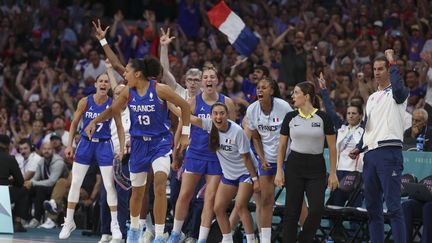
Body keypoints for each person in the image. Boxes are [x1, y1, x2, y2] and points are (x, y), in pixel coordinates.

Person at [88, 19, 191, 243]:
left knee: (160, 183)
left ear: (137, 74)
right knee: (139, 191)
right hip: (139, 144)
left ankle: (161, 234)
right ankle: (136, 230)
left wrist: (184, 134)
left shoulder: (159, 88)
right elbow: (115, 67)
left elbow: (184, 107)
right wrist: (103, 40)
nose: (123, 74)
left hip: (160, 143)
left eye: (127, 72)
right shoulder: (128, 90)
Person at [171, 102, 260, 243]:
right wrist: (169, 99)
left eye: (222, 113)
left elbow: (247, 158)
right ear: (211, 116)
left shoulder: (237, 131)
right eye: (215, 113)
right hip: (229, 175)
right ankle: (227, 239)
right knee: (218, 208)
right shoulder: (210, 125)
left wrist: (255, 179)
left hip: (246, 172)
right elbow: (188, 116)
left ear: (227, 115)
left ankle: (251, 240)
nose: (218, 117)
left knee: (240, 206)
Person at [167, 64, 235, 243]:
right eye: (206, 77)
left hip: (217, 158)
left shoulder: (227, 102)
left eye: (212, 77)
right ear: (202, 82)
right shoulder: (193, 101)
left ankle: (201, 239)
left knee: (210, 200)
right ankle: (176, 234)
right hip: (195, 154)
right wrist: (177, 153)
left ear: (217, 80)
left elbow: (232, 131)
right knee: (184, 195)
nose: (209, 80)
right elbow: (183, 127)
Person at [349, 49, 409, 243]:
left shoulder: (399, 92)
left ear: (388, 69)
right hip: (371, 154)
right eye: (374, 69)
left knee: (393, 207)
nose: (376, 72)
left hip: (389, 152)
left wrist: (393, 62)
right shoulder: (373, 98)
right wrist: (359, 146)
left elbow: (399, 90)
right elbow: (368, 126)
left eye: (381, 68)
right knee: (373, 208)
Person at [59, 73, 125, 240]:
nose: (103, 84)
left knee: (109, 185)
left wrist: (122, 148)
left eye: (105, 82)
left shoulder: (113, 104)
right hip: (86, 144)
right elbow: (74, 123)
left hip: (104, 144)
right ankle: (69, 222)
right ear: (96, 84)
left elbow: (119, 127)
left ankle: (114, 225)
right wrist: (69, 145)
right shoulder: (85, 101)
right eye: (100, 81)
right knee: (75, 182)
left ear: (108, 87)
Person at [275, 81, 339, 243]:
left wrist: (333, 173)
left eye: (296, 93)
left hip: (316, 167)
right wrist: (278, 171)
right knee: (292, 212)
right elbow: (282, 146)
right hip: (294, 166)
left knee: (317, 209)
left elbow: (332, 148)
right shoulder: (290, 117)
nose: (293, 96)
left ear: (306, 96)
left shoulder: (323, 117)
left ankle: (304, 239)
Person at [244, 77, 293, 242]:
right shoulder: (252, 110)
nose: (259, 90)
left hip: (288, 158)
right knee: (266, 200)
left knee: (297, 200)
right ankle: (265, 239)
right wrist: (261, 158)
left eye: (264, 87)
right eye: (258, 87)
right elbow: (255, 137)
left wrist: (282, 164)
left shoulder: (284, 107)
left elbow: (292, 132)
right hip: (266, 160)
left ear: (272, 91)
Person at [318, 73, 365, 207]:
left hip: (355, 173)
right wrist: (324, 90)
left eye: (354, 113)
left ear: (360, 116)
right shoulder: (341, 128)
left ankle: (355, 228)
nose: (350, 116)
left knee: (353, 208)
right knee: (335, 207)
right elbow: (331, 111)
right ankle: (336, 229)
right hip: (339, 172)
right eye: (348, 113)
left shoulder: (365, 131)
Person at [98, 66, 131, 243]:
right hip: (107, 159)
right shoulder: (109, 112)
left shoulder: (132, 112)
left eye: (122, 94)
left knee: (122, 198)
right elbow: (115, 87)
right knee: (105, 196)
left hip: (125, 158)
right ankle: (106, 232)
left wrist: (127, 147)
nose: (119, 96)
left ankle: (121, 234)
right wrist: (110, 70)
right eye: (116, 94)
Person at [24, 142, 68, 228]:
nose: (46, 151)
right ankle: (25, 217)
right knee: (27, 189)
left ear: (53, 151)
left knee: (39, 189)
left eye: (49, 149)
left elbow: (52, 181)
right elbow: (36, 177)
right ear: (41, 150)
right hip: (48, 187)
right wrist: (29, 183)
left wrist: (32, 183)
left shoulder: (58, 162)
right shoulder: (41, 161)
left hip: (60, 188)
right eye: (44, 149)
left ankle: (37, 219)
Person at [0, 134, 26, 232]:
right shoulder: (10, 158)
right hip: (3, 194)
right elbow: (20, 181)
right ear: (8, 145)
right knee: (23, 190)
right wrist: (9, 181)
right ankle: (17, 222)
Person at [402, 176, 432, 243]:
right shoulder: (427, 179)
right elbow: (416, 193)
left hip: (429, 207)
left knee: (427, 207)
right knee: (406, 205)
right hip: (421, 205)